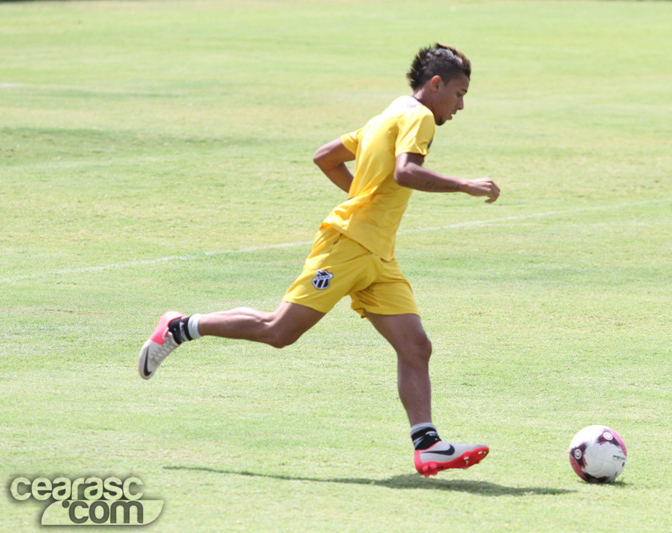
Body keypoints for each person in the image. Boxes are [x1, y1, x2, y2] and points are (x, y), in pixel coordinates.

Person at [138, 43, 500, 477]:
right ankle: (180, 327)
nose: (461, 105)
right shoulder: (419, 117)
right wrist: (463, 185)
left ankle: (428, 445)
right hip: (348, 246)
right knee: (279, 332)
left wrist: (363, 198)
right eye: (459, 93)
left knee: (415, 346)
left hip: (378, 255)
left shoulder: (387, 115)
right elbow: (406, 171)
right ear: (436, 84)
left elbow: (324, 157)